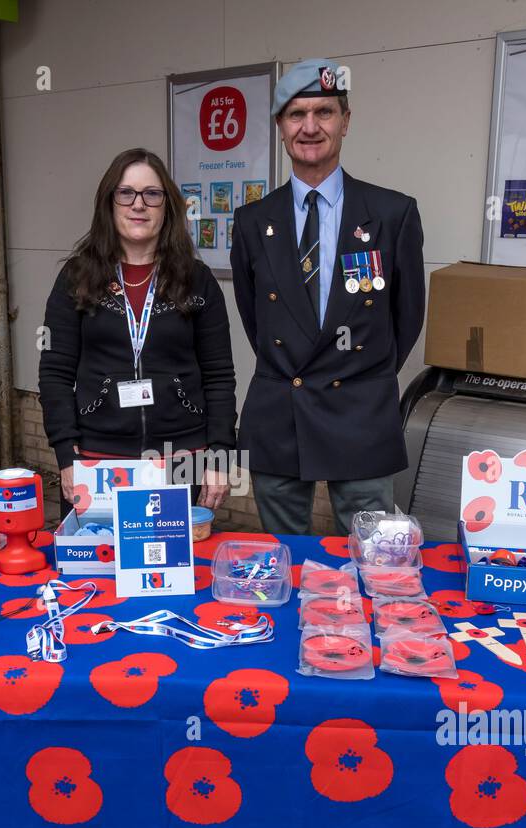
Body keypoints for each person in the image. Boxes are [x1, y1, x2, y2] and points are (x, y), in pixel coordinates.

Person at [230, 59, 425, 535]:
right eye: (296, 114)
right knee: (287, 557)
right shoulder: (253, 221)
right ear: (280, 127)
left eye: (324, 112)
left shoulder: (392, 213)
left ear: (346, 122)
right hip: (280, 412)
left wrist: (359, 373)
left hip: (361, 410)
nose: (310, 127)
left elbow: (408, 318)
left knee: (369, 557)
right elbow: (258, 323)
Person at [40, 148, 234, 510]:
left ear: (167, 206)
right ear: (109, 203)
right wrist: (67, 454)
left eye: (152, 194)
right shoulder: (76, 277)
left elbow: (219, 376)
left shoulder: (197, 281)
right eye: (126, 193)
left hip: (181, 460)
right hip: (98, 461)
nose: (138, 204)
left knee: (173, 566)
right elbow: (55, 373)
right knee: (96, 565)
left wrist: (220, 456)